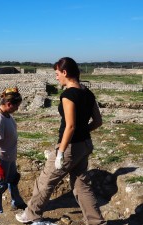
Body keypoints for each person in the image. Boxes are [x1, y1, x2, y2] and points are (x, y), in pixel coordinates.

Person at [16, 57, 107, 225]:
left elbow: (70, 126)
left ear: (65, 72)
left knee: (45, 180)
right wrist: (83, 131)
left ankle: (31, 214)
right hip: (85, 145)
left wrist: (60, 153)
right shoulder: (88, 93)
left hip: (70, 147)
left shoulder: (68, 95)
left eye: (57, 74)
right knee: (81, 185)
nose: (56, 77)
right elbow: (98, 121)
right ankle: (96, 222)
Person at [0, 87, 27, 215]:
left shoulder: (7, 114)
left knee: (13, 179)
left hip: (8, 157)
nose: (17, 109)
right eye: (16, 106)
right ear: (8, 104)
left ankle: (17, 202)